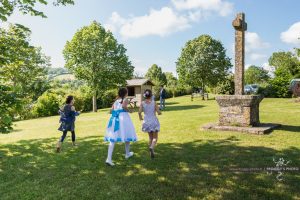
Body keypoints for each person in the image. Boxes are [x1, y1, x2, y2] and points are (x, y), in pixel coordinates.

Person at [104, 88, 137, 166]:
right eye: (127, 92)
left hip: (115, 119)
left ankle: (109, 158)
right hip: (123, 119)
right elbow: (124, 107)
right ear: (125, 93)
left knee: (113, 138)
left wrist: (115, 111)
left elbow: (111, 110)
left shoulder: (116, 101)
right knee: (127, 134)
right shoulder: (125, 99)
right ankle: (127, 153)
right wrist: (130, 111)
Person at [139, 89, 161, 159]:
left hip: (146, 122)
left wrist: (140, 117)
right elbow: (158, 112)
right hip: (153, 121)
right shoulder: (154, 102)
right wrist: (160, 112)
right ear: (151, 95)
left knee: (150, 138)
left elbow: (139, 112)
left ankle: (151, 151)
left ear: (145, 95)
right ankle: (152, 147)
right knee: (155, 138)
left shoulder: (142, 103)